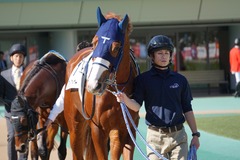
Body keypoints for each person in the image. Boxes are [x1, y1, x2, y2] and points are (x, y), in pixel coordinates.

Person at [115, 35, 200, 160]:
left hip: (179, 137)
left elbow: (187, 108)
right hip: (155, 138)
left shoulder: (180, 80)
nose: (164, 56)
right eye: (160, 53)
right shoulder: (143, 80)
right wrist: (125, 99)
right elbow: (136, 105)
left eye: (167, 53)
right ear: (151, 56)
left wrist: (195, 135)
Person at [0, 43, 28, 160]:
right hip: (10, 112)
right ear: (11, 58)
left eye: (21, 56)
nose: (18, 59)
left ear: (23, 58)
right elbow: (1, 95)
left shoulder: (28, 72)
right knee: (12, 137)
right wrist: (11, 103)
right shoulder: (3, 75)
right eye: (16, 56)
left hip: (25, 113)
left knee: (24, 138)